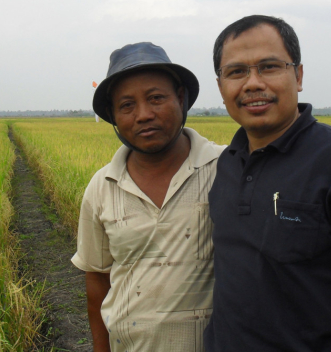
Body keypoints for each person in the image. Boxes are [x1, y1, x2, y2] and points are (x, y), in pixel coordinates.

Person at [204, 15, 331, 352]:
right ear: (221, 85)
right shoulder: (227, 163)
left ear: (297, 75)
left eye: (268, 67)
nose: (252, 83)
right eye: (236, 72)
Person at [72, 42, 223, 352]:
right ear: (113, 115)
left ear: (181, 98)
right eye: (127, 105)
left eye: (156, 98)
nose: (143, 115)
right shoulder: (102, 187)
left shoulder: (226, 168)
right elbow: (97, 281)